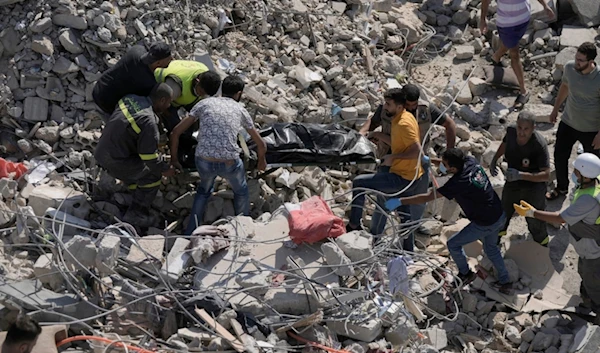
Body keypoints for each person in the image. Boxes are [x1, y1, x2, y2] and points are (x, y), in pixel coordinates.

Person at [386, 148, 512, 293]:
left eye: (444, 164)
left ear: (453, 168)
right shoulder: (471, 161)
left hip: (485, 223)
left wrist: (400, 201)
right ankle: (505, 281)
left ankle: (465, 273)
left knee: (453, 244)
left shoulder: (458, 183)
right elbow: (452, 165)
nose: (442, 167)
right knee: (491, 249)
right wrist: (429, 160)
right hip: (499, 214)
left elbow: (428, 196)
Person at [169, 76, 267, 235]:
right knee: (241, 191)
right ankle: (244, 231)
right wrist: (262, 161)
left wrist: (174, 160)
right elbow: (261, 144)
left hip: (204, 161)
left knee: (203, 191)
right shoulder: (240, 109)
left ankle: (189, 233)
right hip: (229, 163)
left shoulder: (204, 103)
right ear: (239, 93)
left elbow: (175, 132)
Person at [514, 153, 600, 321]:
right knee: (584, 271)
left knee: (592, 279)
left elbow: (560, 218)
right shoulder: (594, 183)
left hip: (592, 249)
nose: (573, 174)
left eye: (576, 172)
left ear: (585, 175)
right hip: (587, 247)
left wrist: (533, 213)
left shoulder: (588, 200)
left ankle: (597, 311)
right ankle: (588, 300)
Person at [347, 88, 428, 251]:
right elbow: (398, 144)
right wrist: (376, 135)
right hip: (412, 177)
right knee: (404, 215)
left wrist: (393, 158)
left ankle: (354, 225)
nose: (385, 107)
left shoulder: (404, 124)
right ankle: (408, 251)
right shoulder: (403, 118)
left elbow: (417, 151)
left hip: (402, 177)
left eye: (388, 104)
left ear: (399, 106)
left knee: (358, 184)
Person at [95, 84, 176, 227]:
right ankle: (136, 214)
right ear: (162, 100)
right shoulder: (148, 121)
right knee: (153, 174)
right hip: (115, 161)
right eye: (169, 102)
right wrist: (164, 168)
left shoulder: (130, 99)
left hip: (101, 152)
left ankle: (132, 190)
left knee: (137, 163)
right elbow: (149, 158)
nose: (169, 106)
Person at [546, 42, 600, 200]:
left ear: (591, 61)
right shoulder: (570, 68)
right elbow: (565, 86)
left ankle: (589, 196)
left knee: (592, 165)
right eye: (576, 58)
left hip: (591, 129)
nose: (577, 62)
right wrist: (555, 109)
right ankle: (561, 188)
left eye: (581, 60)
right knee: (560, 156)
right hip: (568, 122)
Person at [480, 0, 555, 109]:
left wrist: (545, 6)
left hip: (524, 19)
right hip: (506, 23)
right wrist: (483, 19)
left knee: (510, 43)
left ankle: (496, 57)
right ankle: (524, 91)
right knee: (514, 53)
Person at [490, 112, 550, 245]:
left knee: (534, 218)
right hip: (513, 182)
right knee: (503, 211)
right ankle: (496, 239)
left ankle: (542, 245)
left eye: (526, 129)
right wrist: (495, 159)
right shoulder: (511, 131)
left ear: (533, 128)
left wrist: (521, 175)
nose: (521, 132)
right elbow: (505, 143)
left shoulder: (539, 145)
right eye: (519, 127)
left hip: (534, 187)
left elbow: (546, 175)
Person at [359, 83, 457, 157]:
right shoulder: (389, 107)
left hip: (414, 157)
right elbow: (373, 121)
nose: (410, 108)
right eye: (407, 105)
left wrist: (450, 153)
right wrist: (363, 133)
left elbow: (449, 124)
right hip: (387, 154)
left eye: (414, 105)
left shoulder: (426, 110)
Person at [154, 60, 222, 166]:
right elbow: (160, 107)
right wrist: (170, 131)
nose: (202, 95)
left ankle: (186, 141)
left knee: (193, 122)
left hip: (185, 96)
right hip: (161, 92)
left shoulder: (206, 75)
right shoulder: (175, 86)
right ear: (197, 81)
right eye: (201, 92)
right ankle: (174, 144)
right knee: (174, 124)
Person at [93, 42, 172, 115]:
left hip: (100, 86)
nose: (171, 59)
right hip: (106, 105)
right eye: (168, 59)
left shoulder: (137, 50)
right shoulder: (148, 83)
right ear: (158, 63)